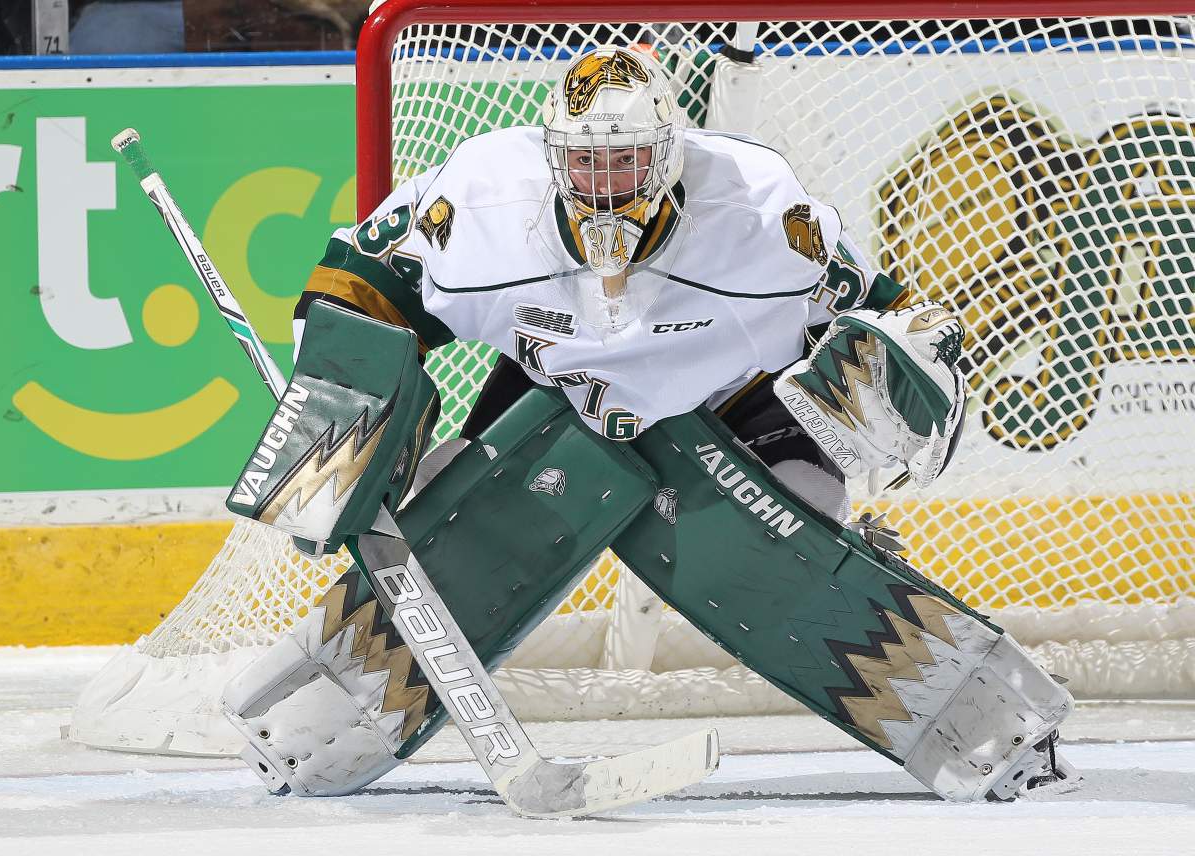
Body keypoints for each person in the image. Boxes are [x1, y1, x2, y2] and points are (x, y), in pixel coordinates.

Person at [220, 47, 1077, 806]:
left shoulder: (758, 213)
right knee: (456, 514)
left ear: (669, 154)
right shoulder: (479, 202)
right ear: (552, 157)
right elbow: (361, 283)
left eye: (626, 162)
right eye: (586, 165)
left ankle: (973, 709)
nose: (606, 186)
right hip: (551, 389)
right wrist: (341, 404)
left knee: (796, 521)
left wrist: (899, 374)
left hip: (730, 397)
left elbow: (884, 316)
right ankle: (312, 724)